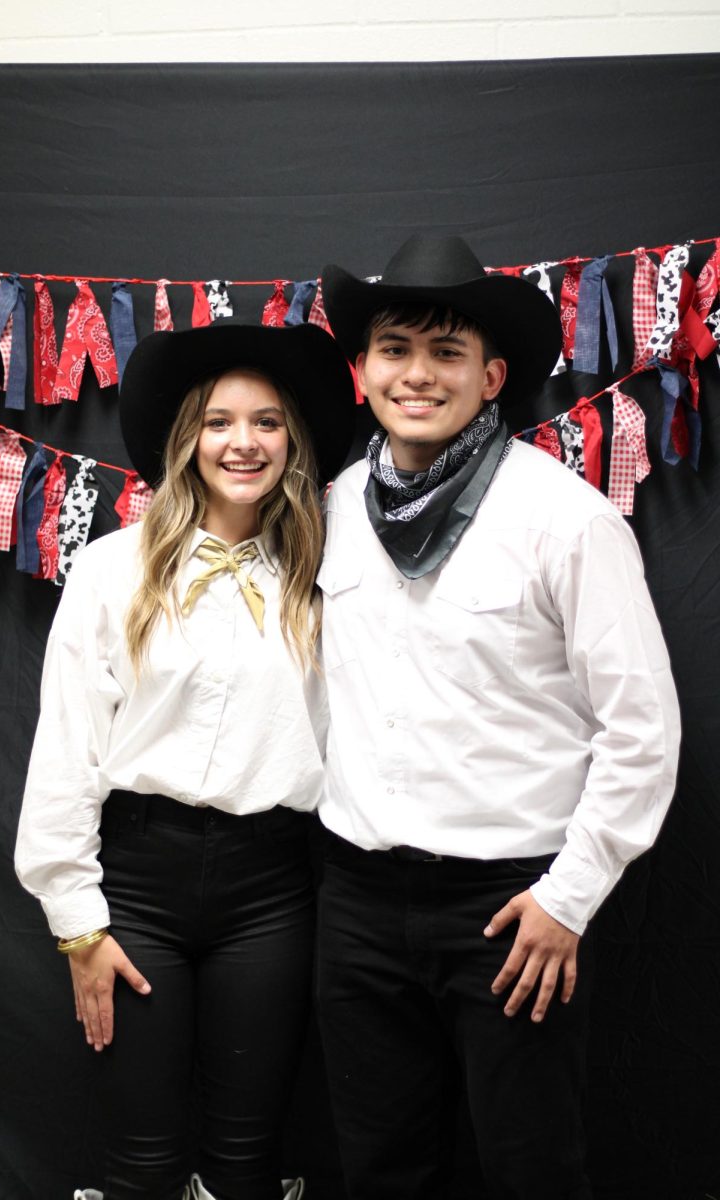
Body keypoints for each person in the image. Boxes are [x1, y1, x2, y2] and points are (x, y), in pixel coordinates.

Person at [313, 233, 680, 1200]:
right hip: (353, 900)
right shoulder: (336, 507)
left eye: (447, 353)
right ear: (360, 372)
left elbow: (642, 729)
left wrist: (569, 897)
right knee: (381, 1168)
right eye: (395, 349)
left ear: (492, 376)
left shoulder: (568, 520)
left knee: (530, 1169)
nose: (418, 375)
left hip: (513, 906)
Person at [15, 320, 355, 1200]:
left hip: (272, 889)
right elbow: (67, 749)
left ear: (296, 441)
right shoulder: (109, 572)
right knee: (143, 1159)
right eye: (218, 421)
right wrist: (78, 922)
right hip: (136, 885)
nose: (244, 442)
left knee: (248, 1159)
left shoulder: (332, 579)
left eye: (268, 422)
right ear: (186, 439)